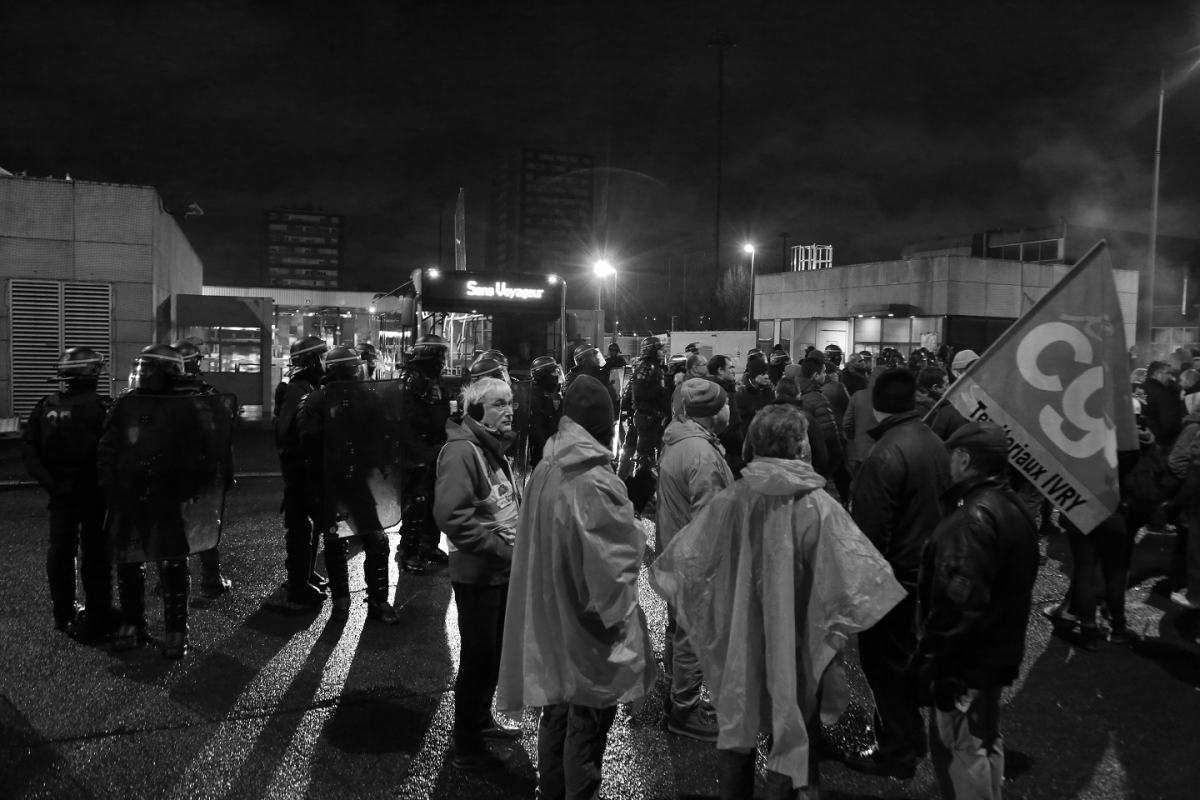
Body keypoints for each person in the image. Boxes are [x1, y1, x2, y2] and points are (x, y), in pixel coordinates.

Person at [651, 405, 905, 799]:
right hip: (801, 645)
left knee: (738, 729)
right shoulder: (818, 507)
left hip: (740, 641)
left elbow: (690, 562)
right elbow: (856, 577)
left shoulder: (734, 499)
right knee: (795, 729)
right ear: (799, 447)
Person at [497, 375, 655, 799]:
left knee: (557, 718)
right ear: (605, 427)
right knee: (584, 736)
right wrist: (633, 515)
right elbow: (610, 581)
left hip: (552, 624)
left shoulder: (547, 468)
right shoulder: (596, 483)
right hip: (587, 637)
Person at [914, 421, 1039, 800]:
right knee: (984, 738)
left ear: (965, 459)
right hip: (996, 653)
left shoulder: (972, 519)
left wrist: (935, 664)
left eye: (953, 456)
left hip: (967, 663)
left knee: (960, 748)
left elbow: (957, 606)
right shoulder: (1010, 504)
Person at [847, 368, 952, 779]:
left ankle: (896, 750)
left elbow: (870, 534)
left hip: (893, 578)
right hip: (925, 572)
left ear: (876, 406)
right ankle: (910, 733)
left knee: (884, 664)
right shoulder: (934, 442)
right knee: (905, 659)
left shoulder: (886, 453)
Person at [99, 345, 228, 659]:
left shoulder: (188, 404)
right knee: (129, 560)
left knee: (172, 562)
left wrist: (187, 487)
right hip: (130, 494)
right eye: (140, 367)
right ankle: (131, 623)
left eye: (148, 368)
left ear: (168, 371)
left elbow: (206, 450)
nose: (142, 373)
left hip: (167, 496)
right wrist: (109, 484)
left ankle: (175, 631)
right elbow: (107, 447)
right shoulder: (127, 401)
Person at [433, 377, 522, 771]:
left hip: (498, 572)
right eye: (500, 404)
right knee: (478, 657)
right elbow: (452, 516)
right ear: (476, 412)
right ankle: (467, 745)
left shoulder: (488, 447)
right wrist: (503, 553)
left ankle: (481, 721)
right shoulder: (461, 451)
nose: (509, 410)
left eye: (510, 403)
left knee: (491, 654)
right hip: (479, 574)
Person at [297, 346, 399, 625]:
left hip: (359, 480)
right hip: (330, 481)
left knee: (376, 539)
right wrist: (337, 421)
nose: (359, 372)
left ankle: (379, 601)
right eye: (354, 368)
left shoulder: (365, 398)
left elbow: (385, 432)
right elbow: (305, 439)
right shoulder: (316, 400)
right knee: (336, 541)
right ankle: (341, 604)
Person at [657, 379, 735, 742]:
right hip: (695, 559)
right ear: (712, 413)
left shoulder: (678, 438)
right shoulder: (703, 455)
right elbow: (711, 521)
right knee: (693, 633)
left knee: (679, 627)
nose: (729, 409)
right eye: (724, 403)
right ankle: (684, 709)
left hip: (675, 548)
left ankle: (677, 690)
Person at [22, 347, 115, 640]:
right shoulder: (103, 408)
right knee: (96, 553)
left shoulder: (44, 405)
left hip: (60, 494)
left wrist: (54, 486)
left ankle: (62, 613)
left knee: (60, 551)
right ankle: (98, 613)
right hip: (94, 494)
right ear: (91, 373)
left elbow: (30, 452)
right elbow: (112, 452)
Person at [172, 337, 233, 598]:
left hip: (170, 471)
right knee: (206, 524)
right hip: (203, 472)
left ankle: (171, 579)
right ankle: (210, 580)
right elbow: (224, 434)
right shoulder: (208, 395)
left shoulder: (158, 396)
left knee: (172, 524)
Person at [272, 335, 329, 606]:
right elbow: (286, 433)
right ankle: (297, 586)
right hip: (299, 471)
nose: (326, 361)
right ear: (312, 360)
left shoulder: (310, 385)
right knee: (299, 527)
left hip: (307, 469)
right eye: (322, 356)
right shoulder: (298, 389)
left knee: (313, 523)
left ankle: (305, 574)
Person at [397, 334, 452, 575]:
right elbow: (407, 419)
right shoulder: (412, 378)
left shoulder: (433, 377)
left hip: (435, 446)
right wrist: (416, 452)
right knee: (417, 501)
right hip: (417, 450)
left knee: (434, 498)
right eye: (440, 354)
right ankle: (409, 551)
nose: (443, 359)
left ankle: (429, 545)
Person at [628, 336, 671, 469]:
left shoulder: (654, 368)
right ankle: (641, 487)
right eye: (660, 349)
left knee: (653, 456)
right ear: (652, 350)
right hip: (647, 418)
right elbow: (640, 395)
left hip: (653, 418)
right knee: (645, 459)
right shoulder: (647, 368)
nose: (664, 352)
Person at [706, 354, 745, 475]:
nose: (733, 371)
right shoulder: (722, 393)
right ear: (720, 371)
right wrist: (742, 447)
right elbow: (732, 426)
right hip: (729, 453)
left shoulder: (709, 388)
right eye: (730, 368)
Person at [527, 355, 563, 471]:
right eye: (554, 372)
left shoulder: (555, 394)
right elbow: (536, 430)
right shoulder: (534, 397)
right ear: (543, 374)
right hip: (542, 456)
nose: (557, 375)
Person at [915, 366, 968, 441]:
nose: (950, 387)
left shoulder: (935, 405)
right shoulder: (924, 411)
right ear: (935, 388)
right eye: (946, 385)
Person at [1143, 360, 1185, 453]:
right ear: (1157, 374)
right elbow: (1170, 425)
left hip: (1141, 441)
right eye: (1167, 373)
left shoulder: (1139, 390)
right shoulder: (1162, 395)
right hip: (1159, 445)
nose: (1170, 377)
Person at [735, 357, 774, 443]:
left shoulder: (771, 392)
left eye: (767, 374)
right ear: (753, 376)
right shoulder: (742, 395)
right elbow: (741, 422)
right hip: (750, 439)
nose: (767, 377)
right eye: (762, 374)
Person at [669, 353, 709, 419]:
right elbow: (679, 416)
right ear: (696, 368)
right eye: (705, 365)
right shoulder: (683, 390)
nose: (708, 367)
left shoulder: (700, 385)